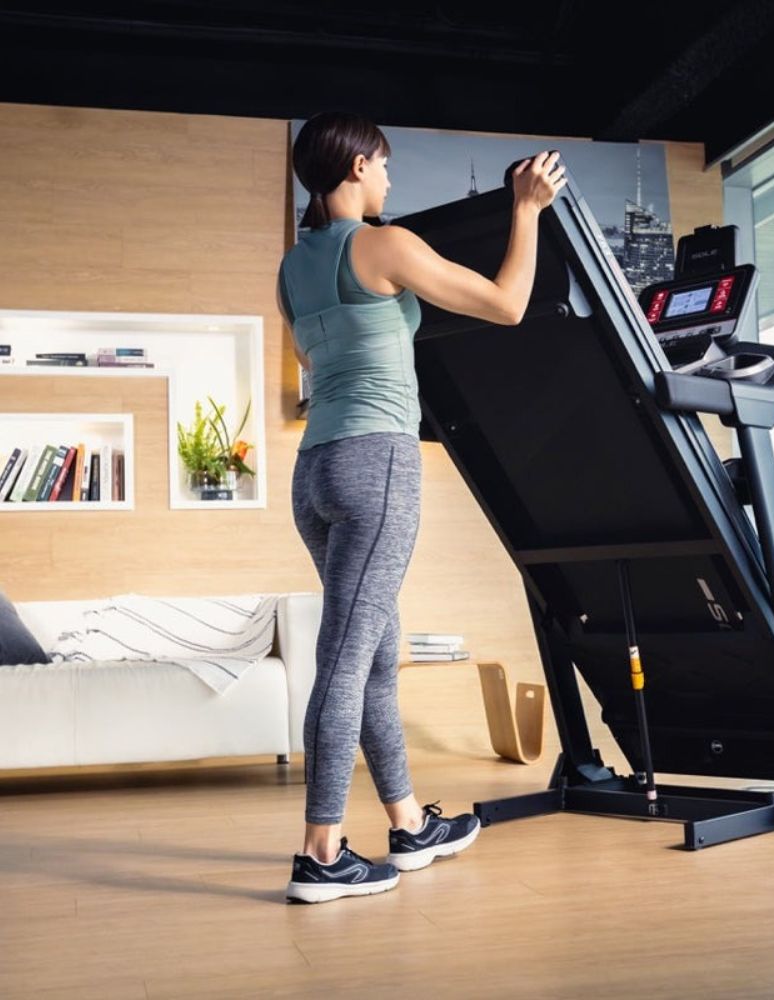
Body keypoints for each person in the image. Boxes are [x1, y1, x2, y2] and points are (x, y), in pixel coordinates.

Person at [276, 111, 565, 904]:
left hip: (317, 472)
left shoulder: (291, 268)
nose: (391, 179)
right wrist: (528, 210)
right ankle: (320, 853)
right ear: (359, 165)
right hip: (378, 464)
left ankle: (408, 824)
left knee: (369, 650)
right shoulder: (386, 245)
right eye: (386, 165)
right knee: (346, 660)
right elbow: (506, 304)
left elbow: (320, 354)